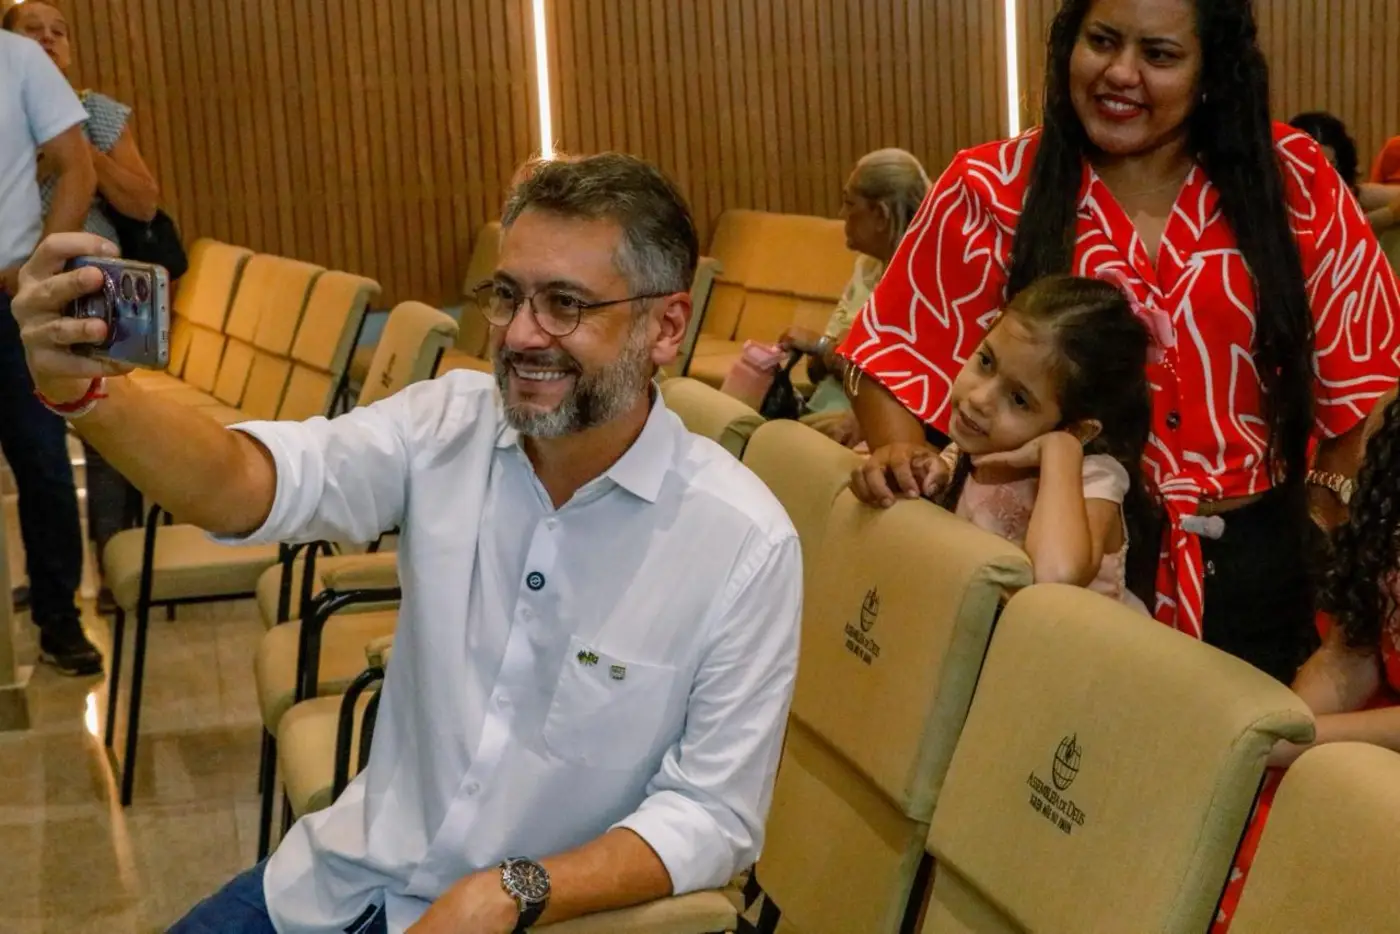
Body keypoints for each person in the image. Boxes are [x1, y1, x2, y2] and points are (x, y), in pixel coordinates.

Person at [12, 153, 802, 933]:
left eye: (565, 304)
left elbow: (711, 814)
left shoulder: (742, 543)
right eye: (508, 296)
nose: (522, 335)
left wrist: (511, 892)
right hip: (344, 881)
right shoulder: (446, 425)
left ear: (666, 326)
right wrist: (85, 393)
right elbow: (246, 483)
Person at [839, 0, 1400, 685]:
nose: (1121, 73)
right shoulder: (992, 188)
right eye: (1102, 41)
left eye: (1159, 55)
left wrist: (1327, 517)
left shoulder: (1294, 178)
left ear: (1212, 69)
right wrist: (901, 451)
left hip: (1262, 565)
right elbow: (892, 352)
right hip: (1067, 561)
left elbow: (1366, 372)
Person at [1211, 391, 1400, 931]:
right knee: (1259, 793)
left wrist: (1306, 740)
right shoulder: (1392, 424)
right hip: (1371, 734)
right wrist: (1272, 732)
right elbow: (1351, 649)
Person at [5, 0, 161, 616]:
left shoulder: (96, 113)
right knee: (38, 449)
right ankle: (52, 585)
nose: (47, 39)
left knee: (105, 431)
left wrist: (78, 143)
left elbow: (145, 202)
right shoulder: (10, 102)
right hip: (21, 287)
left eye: (58, 31)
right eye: (32, 30)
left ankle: (116, 574)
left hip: (94, 285)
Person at [908, 275, 1155, 611]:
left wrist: (1060, 450)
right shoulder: (971, 453)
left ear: (1078, 430)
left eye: (1019, 400)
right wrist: (914, 472)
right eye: (986, 362)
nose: (980, 399)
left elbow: (1053, 577)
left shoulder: (1094, 479)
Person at [0, 15, 99, 675]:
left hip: (10, 299)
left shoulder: (18, 59)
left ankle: (59, 618)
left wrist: (40, 268)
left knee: (42, 461)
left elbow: (76, 168)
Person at [778, 149, 930, 446]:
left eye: (849, 203)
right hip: (824, 409)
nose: (841, 214)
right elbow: (817, 369)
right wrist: (832, 351)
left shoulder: (926, 283)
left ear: (881, 214)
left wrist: (825, 347)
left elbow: (899, 384)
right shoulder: (867, 267)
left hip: (862, 427)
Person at [1287, 112, 1400, 234]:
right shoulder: (1283, 204)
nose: (1321, 174)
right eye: (1311, 166)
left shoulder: (1342, 190)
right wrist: (1388, 215)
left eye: (1331, 164)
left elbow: (1358, 193)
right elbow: (1331, 236)